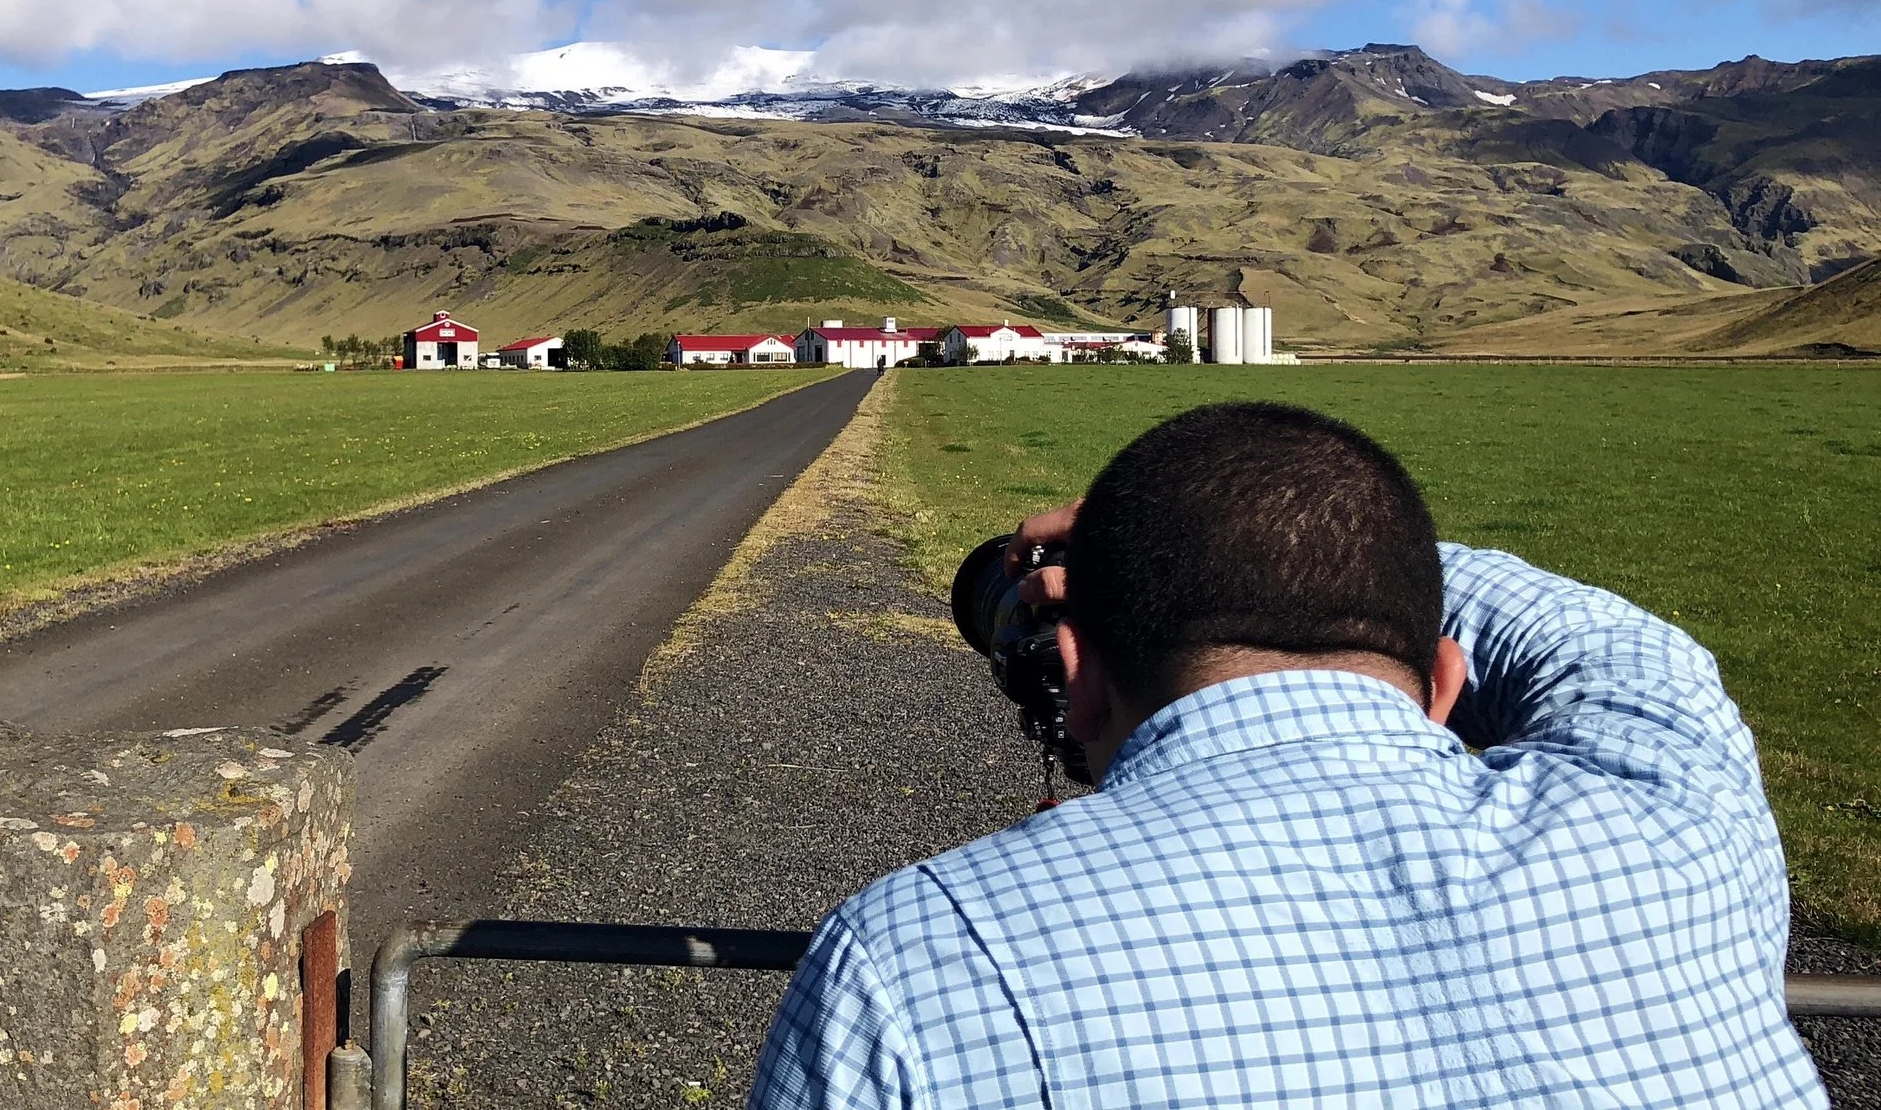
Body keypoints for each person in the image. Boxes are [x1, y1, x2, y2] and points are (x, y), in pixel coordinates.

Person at [752, 401, 1824, 1108]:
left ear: (1077, 681)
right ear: (1444, 683)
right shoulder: (1678, 810)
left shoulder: (915, 956)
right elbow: (1618, 644)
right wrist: (1239, 546)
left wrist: (1156, 551)